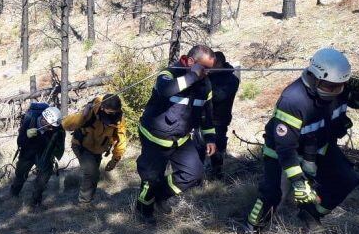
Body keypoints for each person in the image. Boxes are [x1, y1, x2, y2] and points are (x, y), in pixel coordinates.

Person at [246, 48, 359, 232]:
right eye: (330, 86)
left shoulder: (340, 87)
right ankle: (252, 229)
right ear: (315, 77)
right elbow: (285, 149)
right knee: (273, 194)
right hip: (284, 151)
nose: (336, 91)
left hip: (319, 146)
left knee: (347, 180)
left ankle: (311, 214)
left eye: (340, 86)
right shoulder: (293, 100)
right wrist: (298, 182)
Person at [135, 45, 218, 223]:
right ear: (189, 62)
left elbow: (207, 114)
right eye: (204, 68)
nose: (207, 73)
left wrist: (210, 138)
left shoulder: (206, 85)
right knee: (151, 178)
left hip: (180, 139)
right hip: (154, 137)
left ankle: (160, 196)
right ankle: (143, 210)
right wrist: (192, 76)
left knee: (193, 173)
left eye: (210, 69)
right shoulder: (169, 74)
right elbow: (166, 90)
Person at [62, 94, 127, 206]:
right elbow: (66, 124)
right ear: (102, 107)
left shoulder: (119, 118)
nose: (113, 115)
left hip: (98, 149)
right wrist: (83, 115)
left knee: (95, 175)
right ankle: (84, 203)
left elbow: (121, 140)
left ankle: (89, 200)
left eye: (115, 112)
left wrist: (115, 159)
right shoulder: (92, 109)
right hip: (81, 145)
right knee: (91, 172)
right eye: (109, 112)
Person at [194, 51, 240, 180]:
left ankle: (217, 172)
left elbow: (218, 97)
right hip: (202, 118)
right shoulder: (209, 76)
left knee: (217, 147)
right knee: (198, 146)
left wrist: (204, 81)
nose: (207, 68)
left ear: (219, 63)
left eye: (211, 65)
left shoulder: (232, 80)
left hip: (219, 120)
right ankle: (197, 175)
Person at [9, 104, 65, 207]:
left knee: (43, 179)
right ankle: (14, 193)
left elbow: (58, 144)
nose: (51, 128)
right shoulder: (30, 120)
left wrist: (55, 155)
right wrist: (26, 135)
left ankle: (35, 202)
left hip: (44, 154)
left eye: (53, 126)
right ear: (43, 119)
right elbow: (20, 142)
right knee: (20, 175)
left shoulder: (55, 127)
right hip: (28, 153)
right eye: (49, 126)